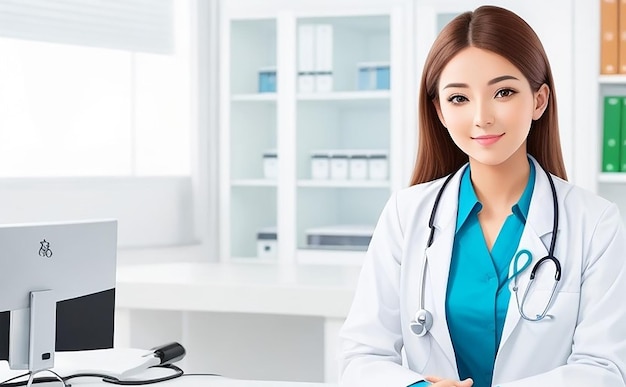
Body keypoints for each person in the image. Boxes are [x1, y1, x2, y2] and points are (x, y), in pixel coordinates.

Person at [337, 5, 626, 387]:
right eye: (459, 98)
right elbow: (362, 356)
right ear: (439, 110)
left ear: (539, 100)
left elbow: (604, 369)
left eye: (503, 92)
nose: (481, 117)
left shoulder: (596, 223)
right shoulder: (406, 215)